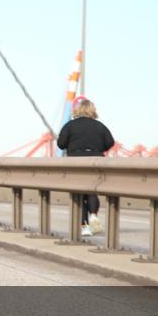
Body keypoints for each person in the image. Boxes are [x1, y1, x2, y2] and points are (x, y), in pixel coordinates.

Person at [57, 98, 115, 237]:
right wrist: (99, 148)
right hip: (95, 161)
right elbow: (110, 142)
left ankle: (85, 227)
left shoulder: (70, 126)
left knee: (79, 195)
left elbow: (61, 143)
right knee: (91, 192)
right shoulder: (100, 126)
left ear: (77, 110)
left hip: (76, 162)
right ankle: (94, 215)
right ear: (92, 110)